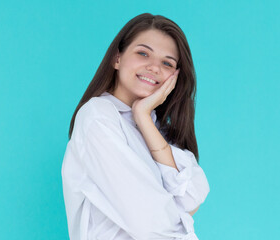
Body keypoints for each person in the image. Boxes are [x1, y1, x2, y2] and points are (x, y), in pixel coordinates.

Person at [61, 13, 210, 240]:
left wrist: (143, 117)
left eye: (167, 63)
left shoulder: (158, 130)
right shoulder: (98, 117)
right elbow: (150, 223)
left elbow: (191, 199)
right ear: (117, 59)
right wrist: (176, 214)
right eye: (143, 53)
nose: (154, 67)